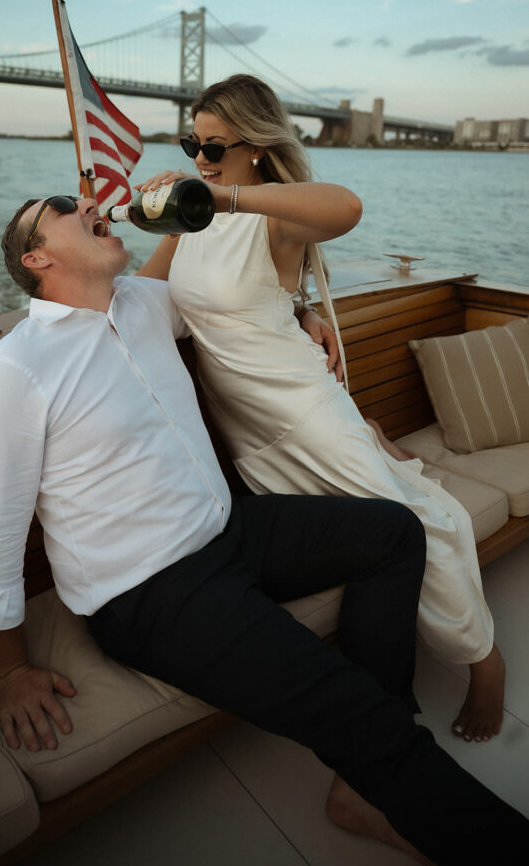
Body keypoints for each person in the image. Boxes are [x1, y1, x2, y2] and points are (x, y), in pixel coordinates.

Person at [0, 193, 527, 865]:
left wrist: (301, 311)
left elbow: (239, 306)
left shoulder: (142, 303)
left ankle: (361, 781)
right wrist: (9, 669)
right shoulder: (12, 373)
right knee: (358, 714)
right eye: (60, 205)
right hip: (149, 592)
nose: (85, 199)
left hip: (227, 530)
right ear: (36, 258)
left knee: (394, 531)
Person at [136, 74, 505, 744]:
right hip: (250, 434)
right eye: (192, 144)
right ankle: (373, 445)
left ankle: (485, 662)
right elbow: (140, 300)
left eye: (214, 147)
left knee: (417, 522)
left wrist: (222, 197)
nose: (200, 159)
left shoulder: (270, 214)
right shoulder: (192, 221)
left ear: (255, 146)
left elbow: (348, 206)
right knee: (363, 536)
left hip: (304, 409)